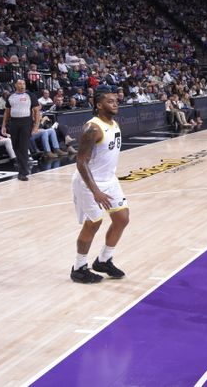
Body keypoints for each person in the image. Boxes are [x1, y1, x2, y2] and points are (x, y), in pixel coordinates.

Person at [70, 91, 130, 283]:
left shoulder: (114, 124)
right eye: (109, 101)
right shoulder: (92, 128)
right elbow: (81, 162)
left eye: (116, 101)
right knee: (94, 222)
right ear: (98, 105)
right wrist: (95, 191)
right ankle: (79, 267)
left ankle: (103, 260)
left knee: (122, 218)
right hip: (89, 182)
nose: (115, 104)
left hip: (109, 180)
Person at [1, 79, 41, 181]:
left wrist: (36, 126)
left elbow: (37, 112)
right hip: (13, 123)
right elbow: (7, 112)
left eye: (23, 83)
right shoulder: (11, 96)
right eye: (20, 83)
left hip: (26, 122)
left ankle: (23, 172)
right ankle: (22, 168)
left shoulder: (30, 95)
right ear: (15, 85)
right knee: (16, 147)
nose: (22, 85)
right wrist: (3, 126)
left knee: (23, 147)